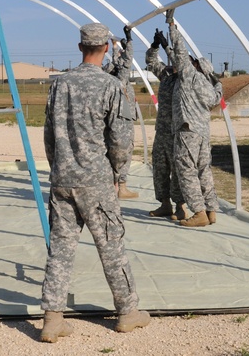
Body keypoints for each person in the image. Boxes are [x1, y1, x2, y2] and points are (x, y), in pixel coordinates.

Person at [39, 23, 151, 343]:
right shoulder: (111, 86)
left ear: (80, 47)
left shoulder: (59, 84)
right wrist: (118, 175)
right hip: (96, 182)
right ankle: (128, 312)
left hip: (62, 178)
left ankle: (52, 318)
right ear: (106, 49)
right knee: (111, 246)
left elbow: (49, 135)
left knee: (60, 249)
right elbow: (120, 140)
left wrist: (58, 166)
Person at [167, 10, 224, 227]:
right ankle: (211, 210)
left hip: (187, 131)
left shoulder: (189, 76)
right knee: (204, 170)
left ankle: (198, 212)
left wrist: (172, 25)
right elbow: (217, 95)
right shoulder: (208, 85)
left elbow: (180, 52)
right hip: (202, 134)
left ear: (196, 66)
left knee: (186, 171)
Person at [144, 28, 187, 221]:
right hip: (161, 131)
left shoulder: (186, 78)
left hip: (177, 132)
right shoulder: (167, 75)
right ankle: (164, 204)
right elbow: (151, 62)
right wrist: (154, 46)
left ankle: (180, 206)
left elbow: (179, 61)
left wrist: (166, 46)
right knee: (160, 168)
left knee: (177, 171)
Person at [105, 26, 139, 199]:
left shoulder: (109, 78)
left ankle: (113, 185)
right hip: (123, 119)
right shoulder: (121, 79)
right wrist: (129, 41)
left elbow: (118, 61)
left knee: (110, 151)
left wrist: (115, 46)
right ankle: (122, 187)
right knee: (124, 151)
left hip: (112, 118)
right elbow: (126, 62)